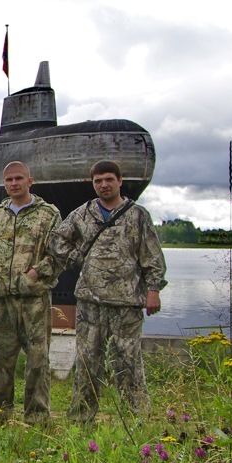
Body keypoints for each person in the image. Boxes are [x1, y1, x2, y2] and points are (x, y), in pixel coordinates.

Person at [49, 159, 167, 423]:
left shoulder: (137, 216)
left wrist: (153, 289)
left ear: (119, 181)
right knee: (87, 364)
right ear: (93, 183)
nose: (103, 185)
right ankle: (81, 419)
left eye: (108, 179)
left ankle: (135, 420)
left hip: (127, 304)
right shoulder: (83, 214)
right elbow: (57, 241)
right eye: (98, 180)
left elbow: (152, 257)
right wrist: (78, 258)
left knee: (128, 364)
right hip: (90, 302)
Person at [0, 161, 61, 424]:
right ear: (4, 183)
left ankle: (37, 417)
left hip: (34, 300)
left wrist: (34, 274)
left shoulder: (48, 215)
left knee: (38, 360)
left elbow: (58, 253)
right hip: (2, 299)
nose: (14, 183)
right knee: (0, 360)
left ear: (30, 181)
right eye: (9, 180)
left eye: (18, 178)